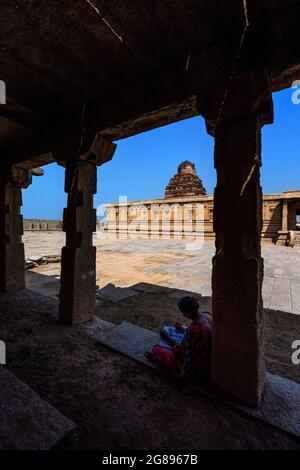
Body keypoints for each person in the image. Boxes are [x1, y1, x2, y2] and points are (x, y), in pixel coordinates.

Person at [145, 296, 213, 384]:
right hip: (208, 354)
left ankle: (156, 357)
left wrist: (168, 339)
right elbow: (200, 335)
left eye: (182, 313)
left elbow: (181, 352)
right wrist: (183, 329)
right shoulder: (207, 314)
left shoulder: (192, 329)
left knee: (157, 349)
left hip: (200, 365)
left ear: (186, 314)